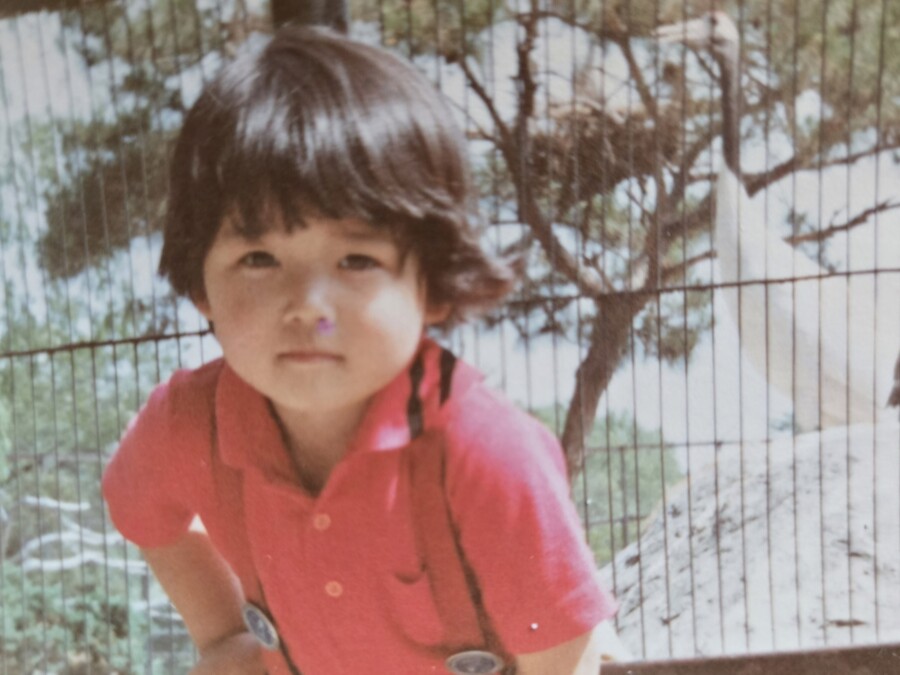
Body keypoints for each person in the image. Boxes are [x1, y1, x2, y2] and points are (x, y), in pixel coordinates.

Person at [102, 25, 616, 675]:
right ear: (200, 285)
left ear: (432, 284)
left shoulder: (485, 454)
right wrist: (223, 636)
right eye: (259, 258)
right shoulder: (189, 426)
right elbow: (139, 506)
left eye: (356, 259)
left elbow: (565, 661)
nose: (309, 305)